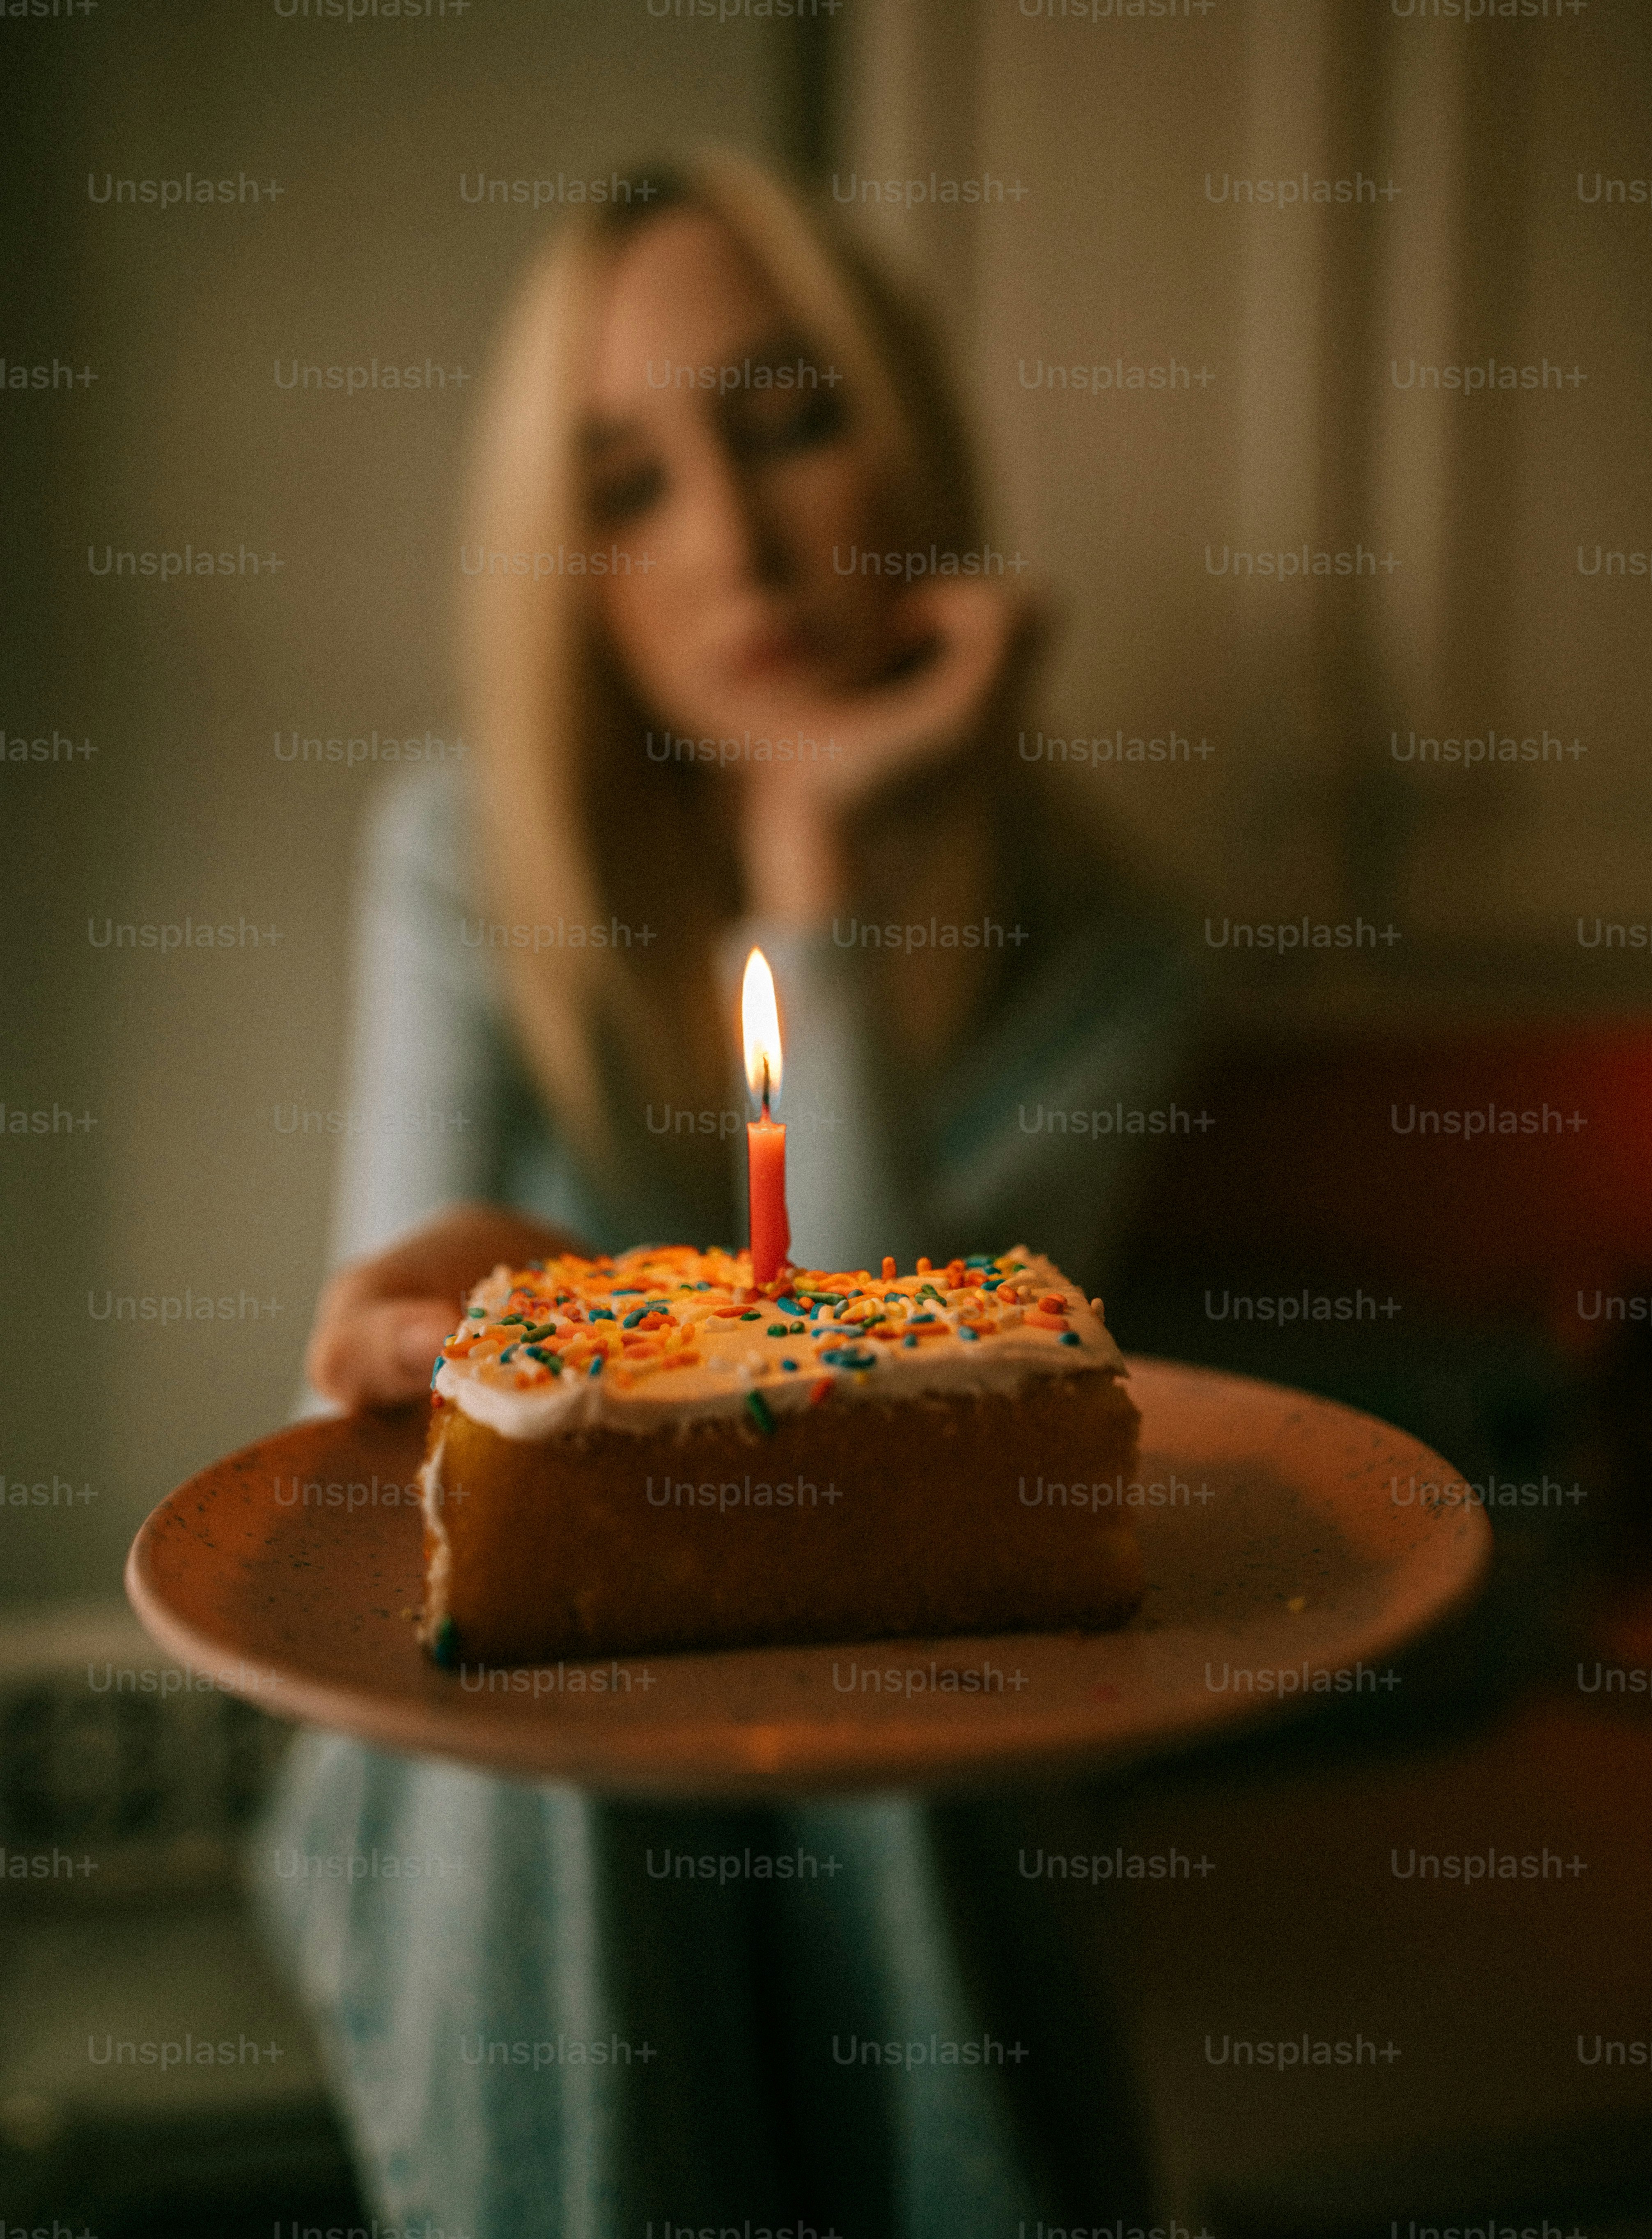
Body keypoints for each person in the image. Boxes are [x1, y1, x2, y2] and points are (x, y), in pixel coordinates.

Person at [260, 152, 1193, 2235]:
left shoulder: (1119, 949)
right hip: (490, 1784)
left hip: (902, 1771)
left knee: (896, 1728)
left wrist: (816, 884)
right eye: (628, 484)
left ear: (913, 437)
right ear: (565, 563)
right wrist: (467, 1328)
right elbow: (386, 1491)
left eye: (786, 423)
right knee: (548, 1710)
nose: (738, 542)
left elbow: (899, 1490)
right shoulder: (453, 864)